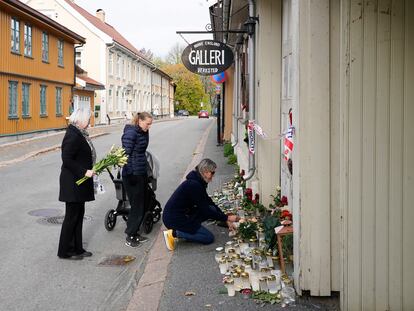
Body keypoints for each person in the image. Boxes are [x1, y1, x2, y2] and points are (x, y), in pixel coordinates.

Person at [162, 158, 239, 251]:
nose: (212, 176)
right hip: (174, 219)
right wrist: (227, 218)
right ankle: (173, 233)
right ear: (205, 172)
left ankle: (189, 230)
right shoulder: (194, 185)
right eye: (212, 173)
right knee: (208, 238)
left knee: (212, 209)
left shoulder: (198, 181)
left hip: (181, 214)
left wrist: (225, 218)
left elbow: (208, 202)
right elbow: (205, 210)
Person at [57, 108, 95, 260]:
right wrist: (84, 171)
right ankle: (65, 251)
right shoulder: (72, 135)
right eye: (88, 119)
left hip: (79, 183)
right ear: (81, 120)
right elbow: (66, 159)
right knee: (72, 217)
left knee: (78, 216)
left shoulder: (78, 133)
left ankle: (77, 248)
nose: (90, 122)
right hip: (72, 182)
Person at [121, 111, 153, 247]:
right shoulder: (131, 133)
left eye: (151, 124)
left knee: (143, 203)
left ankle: (135, 232)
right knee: (137, 206)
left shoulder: (143, 132)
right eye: (148, 124)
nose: (149, 127)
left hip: (140, 172)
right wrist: (130, 173)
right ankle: (130, 235)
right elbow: (125, 154)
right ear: (140, 121)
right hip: (132, 174)